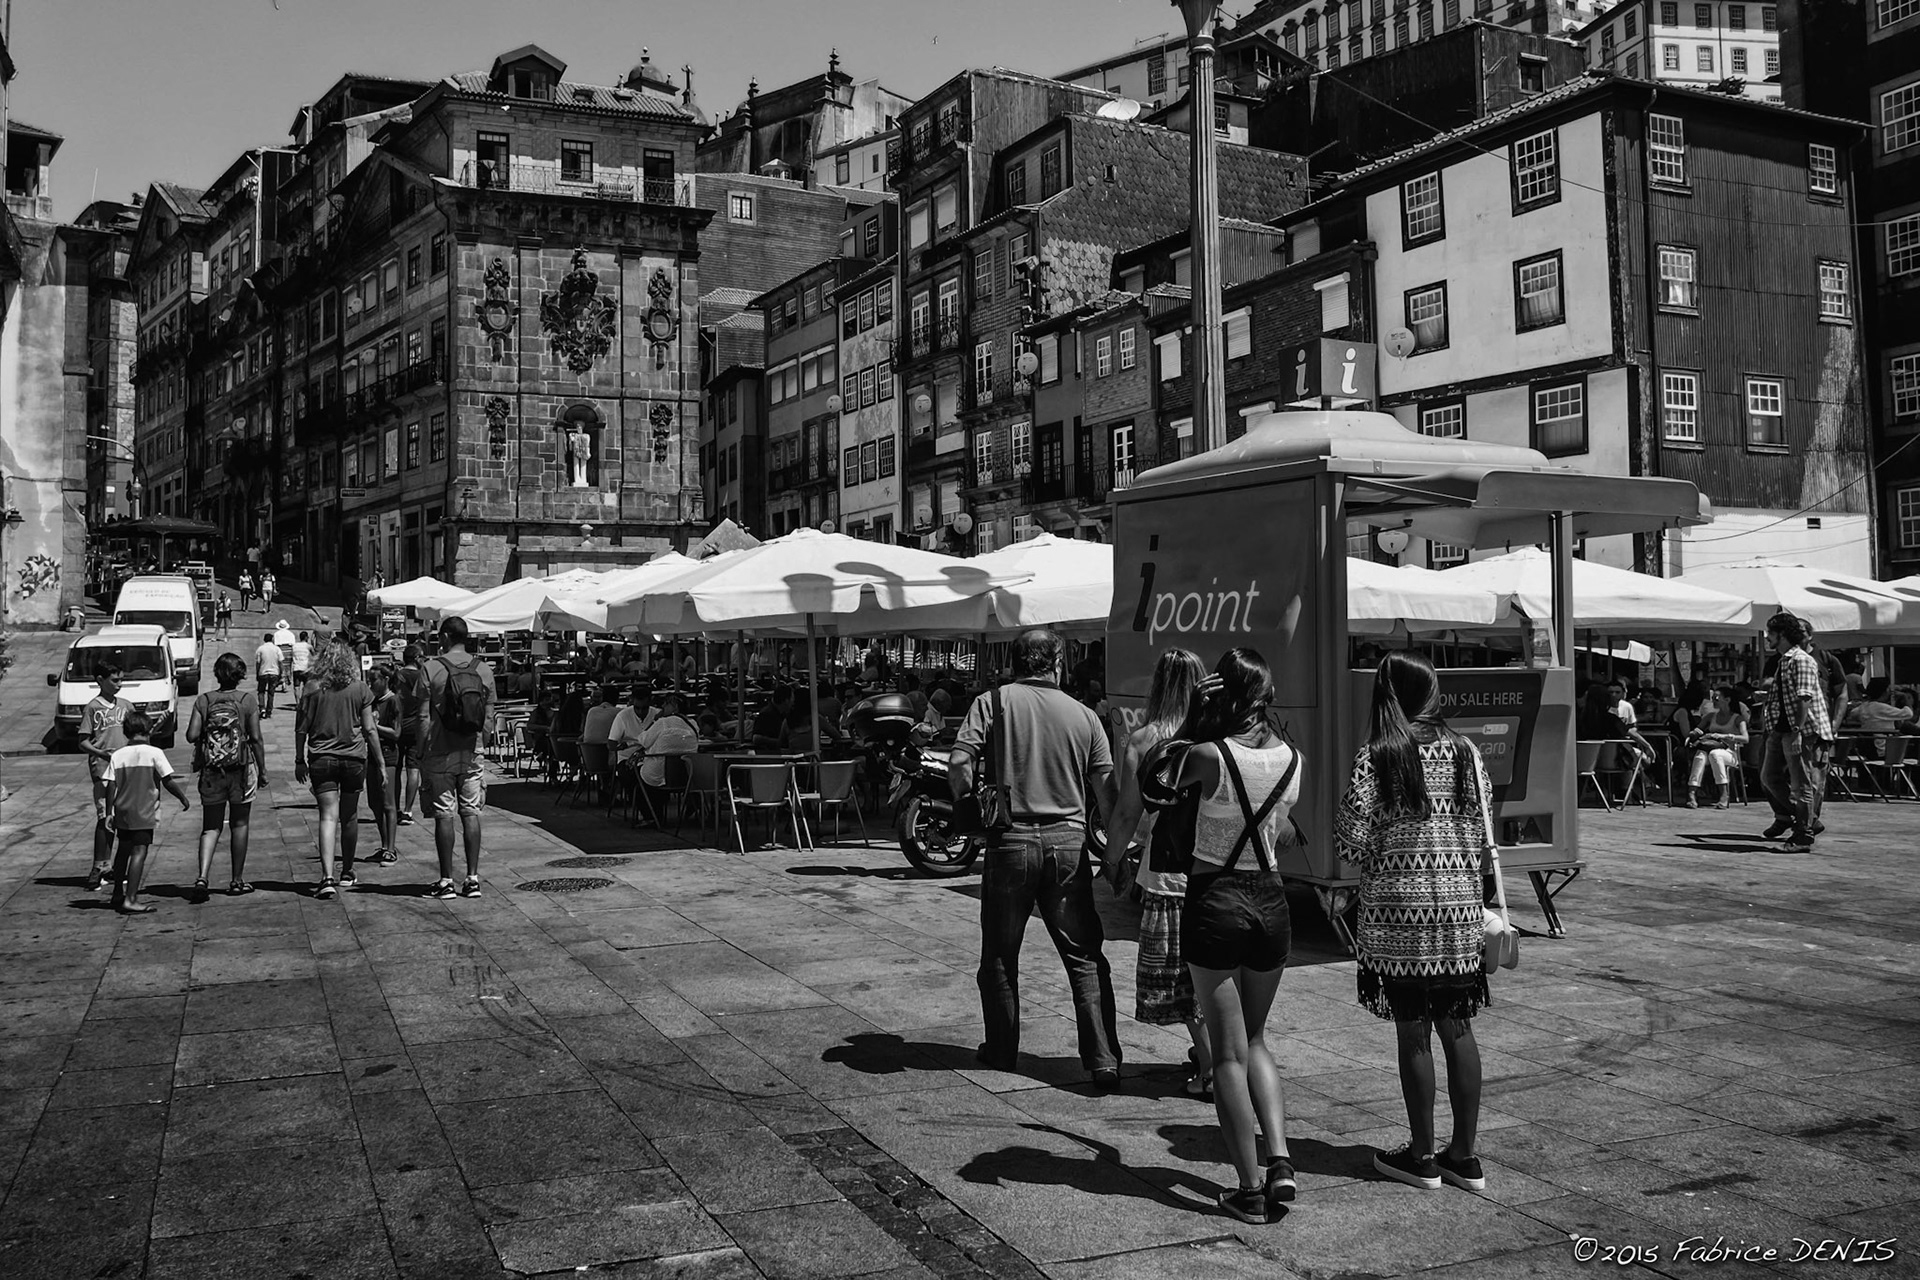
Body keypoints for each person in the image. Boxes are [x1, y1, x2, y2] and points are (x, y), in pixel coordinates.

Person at [1335, 651, 1492, 1199]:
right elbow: (1482, 829)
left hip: (1398, 917)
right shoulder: (1467, 751)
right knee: (1458, 1027)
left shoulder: (1379, 755)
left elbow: (1349, 843)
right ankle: (1464, 1155)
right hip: (1459, 913)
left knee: (1413, 1032)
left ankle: (1423, 1156)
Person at [951, 628, 1120, 1088]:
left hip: (1011, 841)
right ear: (1057, 663)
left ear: (1014, 662)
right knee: (1084, 955)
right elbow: (1107, 793)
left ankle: (1002, 1050)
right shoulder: (1085, 716)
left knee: (1000, 955)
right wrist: (1117, 854)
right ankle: (1103, 1059)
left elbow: (960, 762)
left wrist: (968, 810)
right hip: (1068, 842)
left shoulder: (993, 702)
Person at [1167, 648, 1300, 1224]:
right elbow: (1283, 830)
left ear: (1223, 693)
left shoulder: (1207, 754)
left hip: (1215, 901)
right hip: (1271, 901)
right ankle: (1280, 1160)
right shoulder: (1293, 758)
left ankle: (1248, 1190)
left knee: (1226, 1055)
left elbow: (1158, 782)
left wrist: (1194, 716)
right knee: (1257, 1039)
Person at [1103, 648, 1213, 1101]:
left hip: (1168, 871)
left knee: (1180, 977)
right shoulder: (1218, 737)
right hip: (1219, 868)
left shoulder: (1146, 740)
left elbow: (1128, 812)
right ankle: (1216, 1056)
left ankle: (1213, 1068)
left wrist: (1112, 860)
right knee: (1213, 975)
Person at [294, 642, 382, 898]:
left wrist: (299, 759)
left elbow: (301, 729)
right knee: (350, 816)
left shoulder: (312, 688)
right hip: (354, 758)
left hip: (322, 758)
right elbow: (369, 729)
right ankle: (347, 870)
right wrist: (380, 763)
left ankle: (327, 877)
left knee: (327, 817)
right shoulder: (360, 689)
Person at [419, 615, 494, 900]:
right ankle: (472, 879)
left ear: (446, 637)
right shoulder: (483, 669)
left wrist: (420, 750)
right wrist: (482, 745)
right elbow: (489, 717)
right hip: (472, 750)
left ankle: (446, 881)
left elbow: (423, 717)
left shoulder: (431, 668)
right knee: (471, 812)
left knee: (444, 814)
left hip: (440, 750)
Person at [185, 652, 268, 899]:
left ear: (217, 674)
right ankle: (237, 880)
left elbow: (191, 735)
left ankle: (202, 877)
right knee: (239, 824)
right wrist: (263, 771)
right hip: (241, 769)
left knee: (210, 827)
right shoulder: (247, 700)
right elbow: (256, 738)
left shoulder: (204, 700)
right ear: (240, 675)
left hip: (212, 771)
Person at [103, 710, 192, 915]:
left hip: (122, 811)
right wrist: (182, 797)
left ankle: (118, 892)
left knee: (123, 850)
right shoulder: (154, 753)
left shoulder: (118, 755)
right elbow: (167, 780)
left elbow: (110, 785)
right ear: (148, 730)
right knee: (139, 852)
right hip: (144, 812)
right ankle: (131, 899)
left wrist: (109, 812)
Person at [1761, 612, 1833, 853]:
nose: (1767, 637)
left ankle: (1803, 835)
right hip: (1781, 729)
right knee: (1769, 777)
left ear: (1781, 634)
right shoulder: (1784, 660)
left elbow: (1804, 698)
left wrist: (1796, 731)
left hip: (1800, 730)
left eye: (1770, 633)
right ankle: (1809, 820)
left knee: (1801, 785)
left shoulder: (1800, 660)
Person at [81, 661, 134, 893]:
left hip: (125, 769)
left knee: (121, 817)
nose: (119, 684)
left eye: (121, 679)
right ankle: (98, 865)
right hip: (103, 768)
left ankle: (112, 866)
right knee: (105, 816)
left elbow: (136, 732)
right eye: (114, 680)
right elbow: (83, 741)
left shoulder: (126, 705)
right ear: (100, 681)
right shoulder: (92, 708)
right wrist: (101, 753)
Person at [1684, 686, 1750, 809]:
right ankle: (1691, 792)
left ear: (1727, 700)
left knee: (1715, 754)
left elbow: (1745, 738)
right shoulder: (1710, 716)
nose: (1713, 701)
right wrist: (1693, 734)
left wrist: (1724, 736)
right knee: (1700, 755)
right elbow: (1698, 729)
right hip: (1710, 750)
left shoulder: (1738, 718)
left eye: (1716, 698)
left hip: (1730, 753)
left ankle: (1724, 794)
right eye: (1712, 698)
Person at [367, 664, 401, 864]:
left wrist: (374, 727)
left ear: (385, 680)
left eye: (374, 680)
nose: (371, 684)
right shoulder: (372, 701)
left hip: (388, 755)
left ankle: (391, 848)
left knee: (388, 803)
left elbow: (396, 733)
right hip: (371, 755)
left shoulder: (393, 701)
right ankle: (384, 843)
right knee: (374, 803)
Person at [392, 645, 429, 824]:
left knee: (396, 769)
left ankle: (394, 809)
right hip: (415, 726)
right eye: (422, 656)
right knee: (413, 769)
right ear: (416, 658)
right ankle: (407, 810)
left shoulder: (396, 676)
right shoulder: (422, 676)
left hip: (396, 725)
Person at [1844, 677, 1917, 761]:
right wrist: (1905, 698)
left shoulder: (1864, 707)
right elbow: (1908, 713)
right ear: (1885, 692)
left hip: (1869, 747)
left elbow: (1852, 714)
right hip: (1883, 748)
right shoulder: (1881, 708)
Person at [752, 688, 794, 752]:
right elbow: (756, 738)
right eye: (792, 699)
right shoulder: (766, 714)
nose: (793, 702)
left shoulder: (782, 713)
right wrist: (779, 742)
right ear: (786, 701)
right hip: (768, 754)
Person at [254, 631, 284, 718]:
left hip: (263, 672)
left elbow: (258, 663)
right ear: (272, 639)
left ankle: (262, 708)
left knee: (261, 691)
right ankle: (269, 711)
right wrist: (281, 673)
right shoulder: (277, 649)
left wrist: (257, 673)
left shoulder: (260, 649)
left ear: (264, 640)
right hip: (274, 673)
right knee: (271, 693)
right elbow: (280, 662)